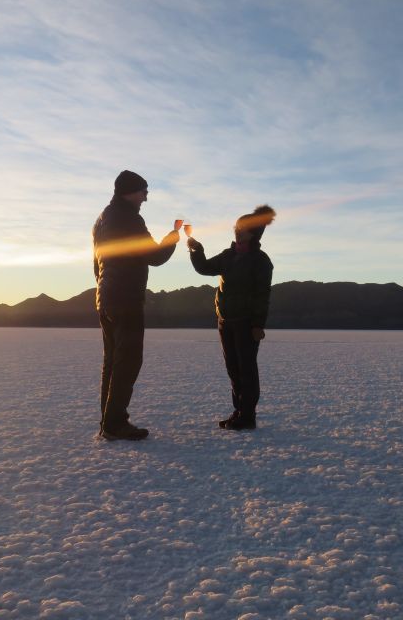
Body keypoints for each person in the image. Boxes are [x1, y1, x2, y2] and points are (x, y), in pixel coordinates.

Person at [93, 170, 181, 440]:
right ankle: (115, 423)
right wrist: (172, 237)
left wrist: (103, 289)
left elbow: (97, 262)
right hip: (126, 299)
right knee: (128, 360)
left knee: (113, 361)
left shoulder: (102, 219)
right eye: (143, 191)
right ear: (129, 192)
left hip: (106, 298)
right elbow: (154, 256)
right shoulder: (129, 218)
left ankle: (109, 421)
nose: (146, 197)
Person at [187, 205, 276, 430]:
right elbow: (205, 268)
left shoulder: (261, 261)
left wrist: (258, 324)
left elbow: (262, 295)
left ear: (254, 233)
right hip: (225, 321)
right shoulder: (229, 255)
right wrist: (196, 250)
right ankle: (238, 411)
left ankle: (248, 416)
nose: (237, 231)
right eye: (236, 228)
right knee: (233, 369)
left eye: (243, 229)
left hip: (246, 323)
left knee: (246, 369)